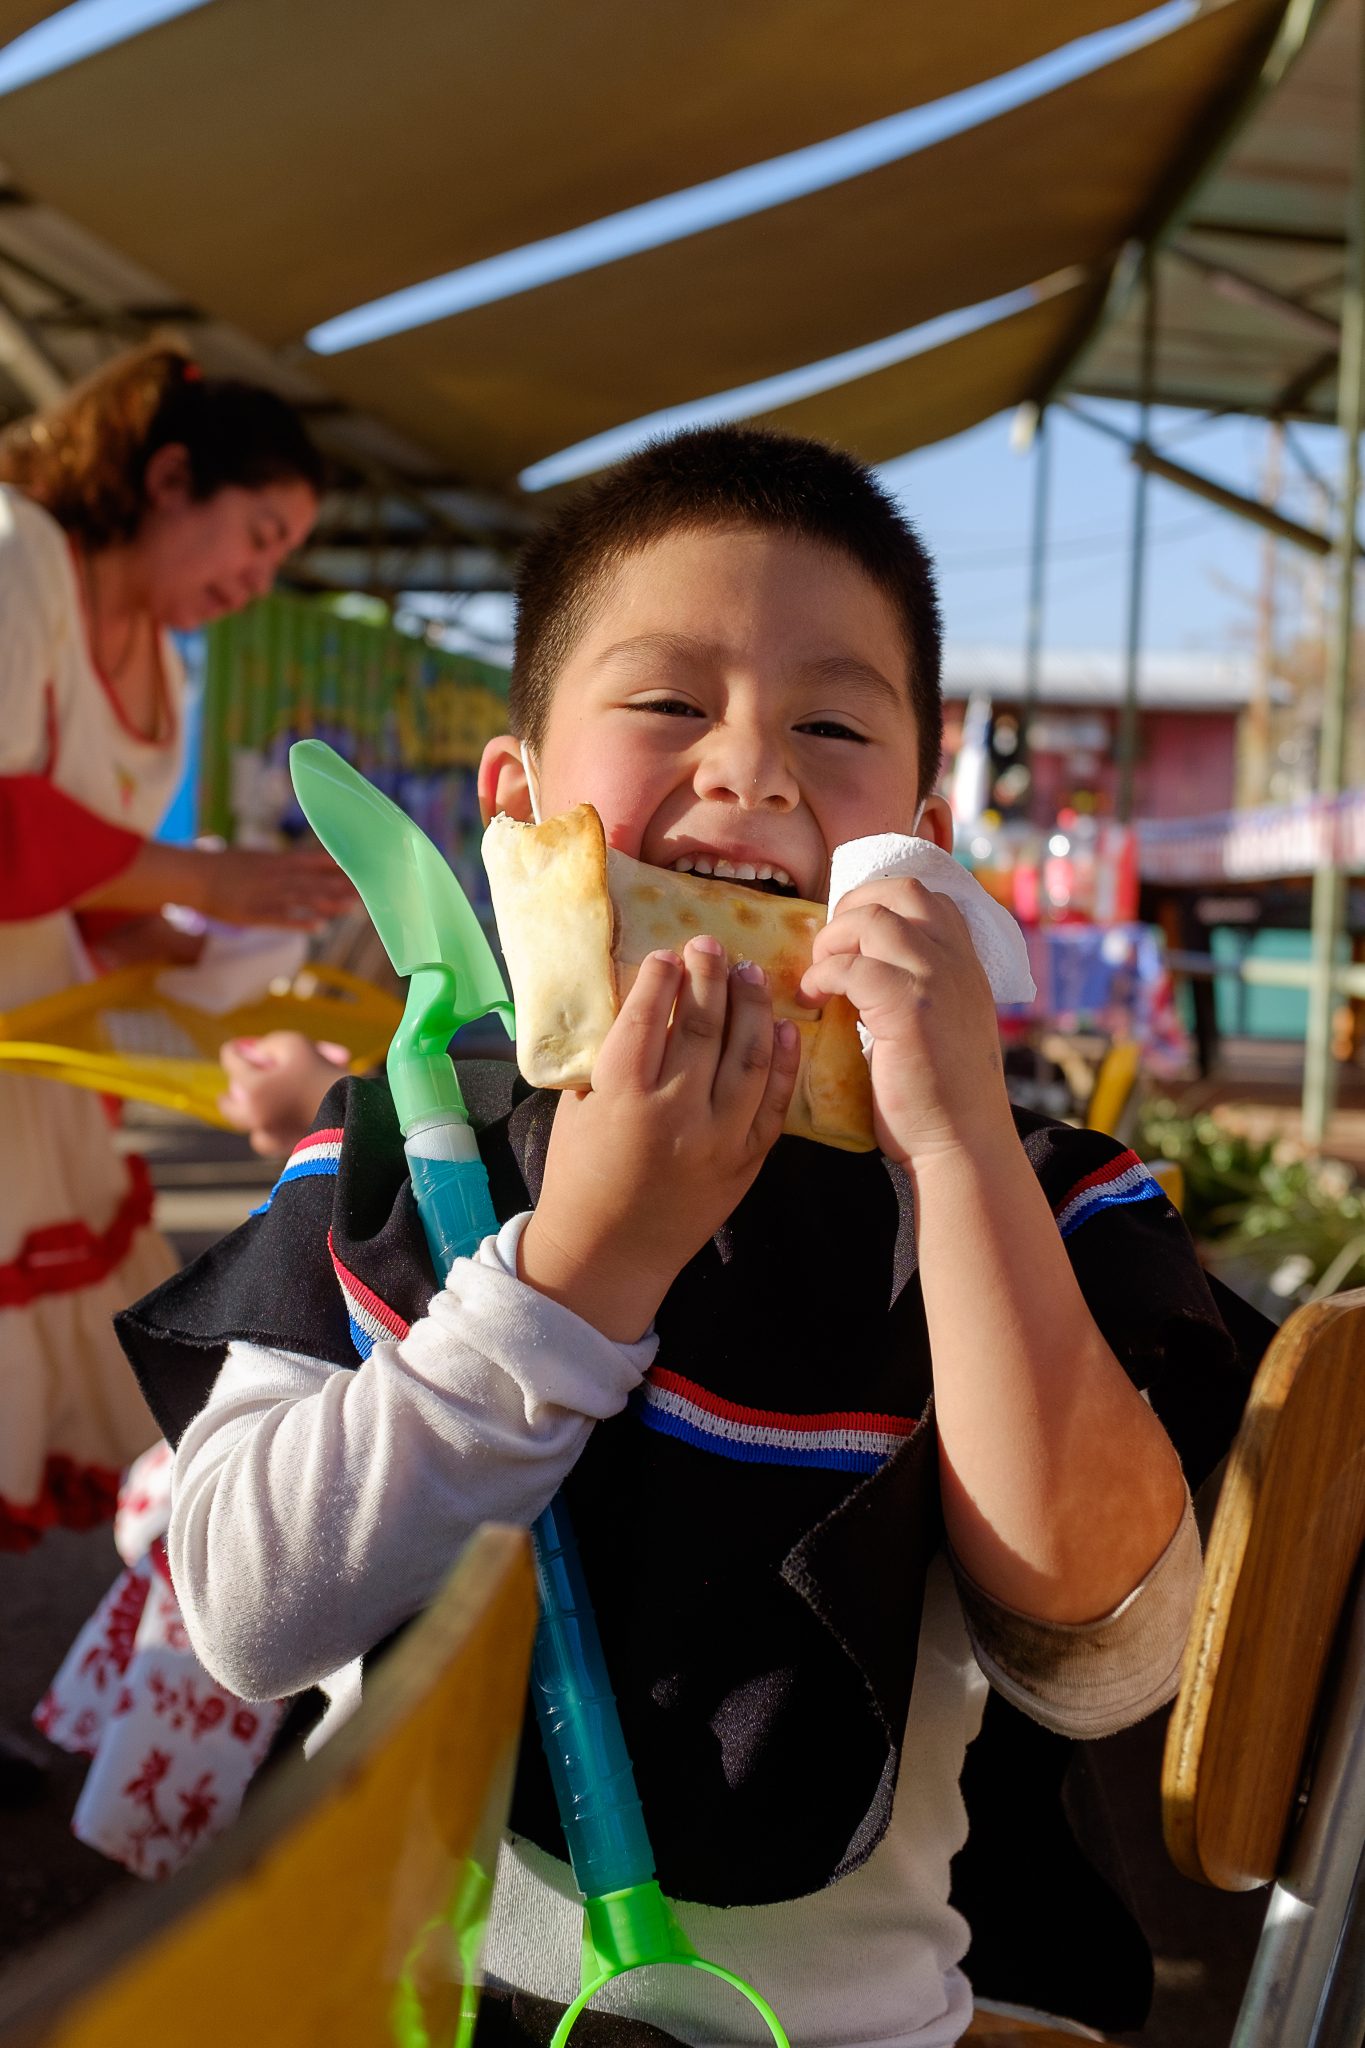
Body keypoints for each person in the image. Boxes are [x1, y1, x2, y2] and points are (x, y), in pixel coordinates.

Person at [119, 428, 1253, 2046]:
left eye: (832, 725)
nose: (752, 770)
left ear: (919, 842)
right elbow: (244, 1615)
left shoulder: (1020, 1193)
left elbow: (1100, 1654)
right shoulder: (413, 1143)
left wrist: (957, 1148)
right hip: (406, 1999)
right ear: (520, 799)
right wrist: (575, 1276)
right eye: (666, 703)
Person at [0, 343, 355, 1550]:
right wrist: (208, 882)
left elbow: (88, 900)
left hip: (39, 1060)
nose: (260, 578)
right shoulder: (18, 547)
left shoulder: (162, 666)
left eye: (280, 556)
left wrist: (219, 946)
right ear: (165, 482)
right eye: (258, 534)